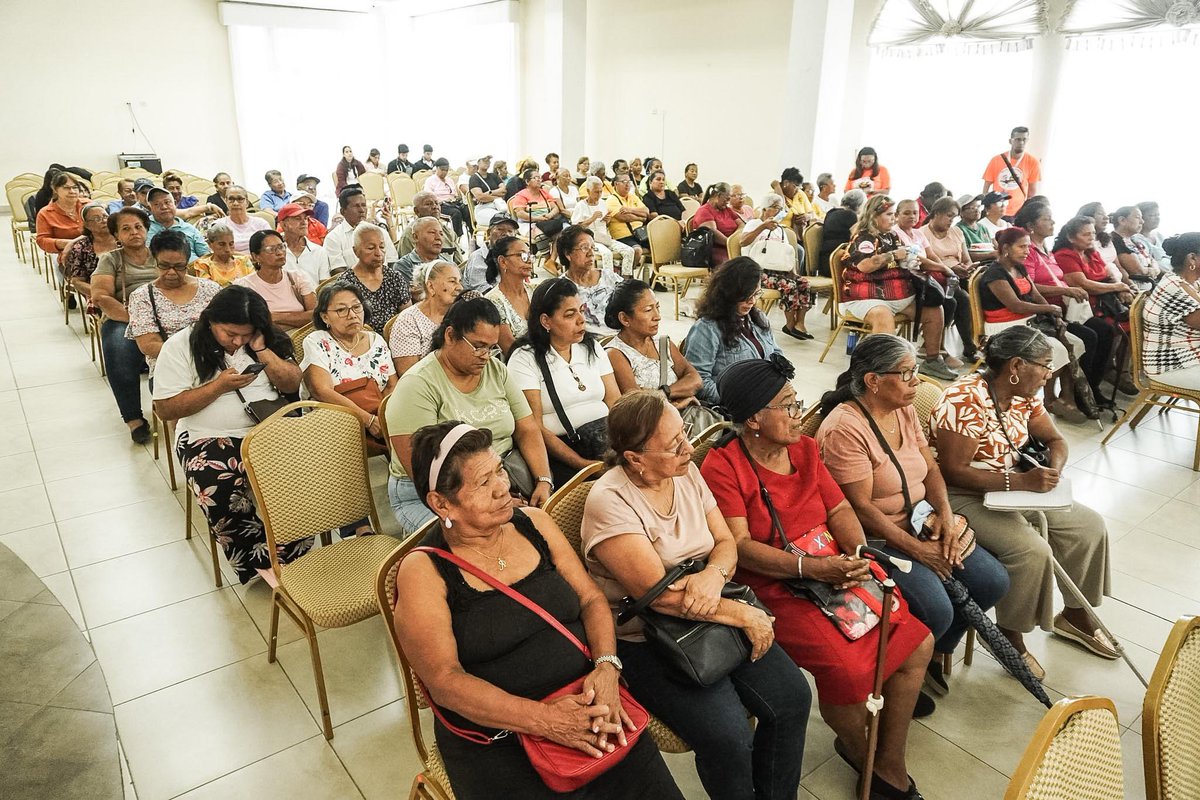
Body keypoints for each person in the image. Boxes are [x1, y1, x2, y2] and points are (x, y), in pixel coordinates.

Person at [392, 421, 683, 800]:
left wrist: (608, 667)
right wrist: (545, 721)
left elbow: (592, 599)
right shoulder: (423, 571)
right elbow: (444, 682)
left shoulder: (535, 523)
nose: (503, 487)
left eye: (500, 469)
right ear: (442, 503)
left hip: (590, 701)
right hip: (500, 735)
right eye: (483, 483)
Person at [701, 360, 932, 800]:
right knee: (845, 669)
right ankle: (863, 753)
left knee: (917, 643)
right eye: (787, 406)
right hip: (775, 585)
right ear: (753, 418)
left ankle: (887, 762)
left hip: (834, 563)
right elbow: (742, 547)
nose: (797, 413)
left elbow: (841, 510)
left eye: (795, 402)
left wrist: (857, 552)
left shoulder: (804, 449)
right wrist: (811, 569)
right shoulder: (724, 466)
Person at [581, 391, 811, 800]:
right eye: (674, 445)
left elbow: (725, 541)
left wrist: (714, 575)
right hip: (652, 637)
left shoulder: (684, 470)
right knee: (727, 736)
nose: (689, 447)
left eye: (684, 432)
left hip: (711, 606)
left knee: (792, 698)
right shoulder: (609, 501)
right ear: (634, 459)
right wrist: (744, 615)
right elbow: (661, 598)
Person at [815, 336, 1010, 697]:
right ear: (873, 380)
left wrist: (946, 518)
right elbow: (860, 509)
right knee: (937, 608)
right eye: (906, 374)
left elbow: (932, 468)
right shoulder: (845, 427)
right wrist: (918, 551)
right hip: (879, 538)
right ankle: (900, 671)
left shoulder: (902, 407)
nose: (916, 382)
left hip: (921, 520)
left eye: (915, 371)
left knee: (992, 581)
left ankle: (933, 653)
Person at [932, 327, 1114, 678]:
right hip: (963, 494)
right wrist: (1020, 481)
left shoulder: (1024, 395)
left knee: (1088, 526)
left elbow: (1056, 440)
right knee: (1030, 551)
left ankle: (1074, 615)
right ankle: (1010, 634)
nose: (1049, 374)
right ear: (1016, 365)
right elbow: (952, 472)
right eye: (1044, 365)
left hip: (1015, 484)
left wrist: (1051, 471)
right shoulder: (964, 399)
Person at [152, 285, 310, 585]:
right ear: (209, 320)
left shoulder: (264, 340)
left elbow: (292, 385)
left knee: (302, 474)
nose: (238, 342)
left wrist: (262, 349)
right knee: (216, 485)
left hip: (268, 429)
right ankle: (261, 563)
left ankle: (292, 554)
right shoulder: (180, 346)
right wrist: (219, 387)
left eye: (246, 334)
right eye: (229, 334)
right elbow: (165, 409)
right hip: (206, 435)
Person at [385, 297, 553, 532]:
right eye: (478, 345)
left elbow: (527, 428)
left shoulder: (496, 371)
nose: (485, 355)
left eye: (492, 347)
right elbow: (422, 469)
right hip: (433, 492)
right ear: (450, 335)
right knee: (482, 538)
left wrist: (543, 480)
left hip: (500, 476)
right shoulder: (418, 384)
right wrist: (487, 501)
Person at [508, 280, 619, 485]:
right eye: (570, 315)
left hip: (607, 443)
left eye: (581, 311)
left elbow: (616, 404)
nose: (581, 320)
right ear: (546, 321)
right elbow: (534, 427)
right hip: (563, 453)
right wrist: (582, 465)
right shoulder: (525, 358)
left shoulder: (591, 347)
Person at [979, 228, 1089, 422]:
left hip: (1027, 321)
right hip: (1006, 326)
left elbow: (1036, 295)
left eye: (1028, 247)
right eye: (1021, 247)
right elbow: (1015, 305)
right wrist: (1048, 309)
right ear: (1006, 248)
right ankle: (1050, 398)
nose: (1027, 251)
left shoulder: (1019, 268)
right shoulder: (995, 274)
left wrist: (1049, 310)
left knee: (1077, 343)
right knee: (1057, 349)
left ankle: (1065, 395)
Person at [840, 195, 955, 380]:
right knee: (882, 315)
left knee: (934, 310)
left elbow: (912, 257)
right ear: (874, 216)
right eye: (889, 214)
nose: (893, 219)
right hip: (867, 298)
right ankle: (880, 370)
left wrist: (942, 268)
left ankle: (932, 360)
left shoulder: (892, 235)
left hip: (896, 296)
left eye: (894, 214)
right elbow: (866, 266)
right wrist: (893, 255)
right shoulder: (864, 238)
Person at [1014, 203, 1105, 403]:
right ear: (1031, 225)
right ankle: (1072, 395)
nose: (1053, 222)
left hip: (1064, 309)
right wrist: (1066, 290)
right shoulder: (1027, 251)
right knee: (1087, 337)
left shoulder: (1045, 249)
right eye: (1046, 218)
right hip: (1043, 313)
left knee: (1104, 330)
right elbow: (1028, 286)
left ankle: (1090, 388)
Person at [90, 207, 159, 443]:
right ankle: (134, 419)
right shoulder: (110, 259)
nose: (134, 233)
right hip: (124, 315)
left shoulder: (160, 254)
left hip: (165, 312)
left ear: (147, 230)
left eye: (138, 227)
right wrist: (137, 319)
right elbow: (100, 296)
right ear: (117, 236)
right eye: (126, 229)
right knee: (118, 350)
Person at [300, 282, 395, 450]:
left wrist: (384, 418)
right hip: (333, 426)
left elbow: (392, 385)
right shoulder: (317, 341)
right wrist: (368, 420)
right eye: (341, 310)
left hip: (379, 418)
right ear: (325, 317)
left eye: (357, 307)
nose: (352, 315)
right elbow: (322, 391)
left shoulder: (376, 340)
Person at [124, 228, 222, 379]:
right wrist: (194, 357)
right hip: (169, 367)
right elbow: (149, 346)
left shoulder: (210, 289)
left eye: (179, 266)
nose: (171, 272)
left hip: (214, 362)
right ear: (154, 262)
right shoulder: (142, 297)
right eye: (164, 266)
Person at [1053, 215, 1134, 393]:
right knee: (1101, 332)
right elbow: (1084, 284)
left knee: (1132, 321)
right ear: (1071, 237)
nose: (1091, 238)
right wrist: (1116, 286)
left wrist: (1120, 287)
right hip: (1083, 307)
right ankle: (1089, 385)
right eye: (1086, 235)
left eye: (1092, 233)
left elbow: (1107, 273)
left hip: (1104, 302)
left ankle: (1113, 375)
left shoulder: (1091, 252)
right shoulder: (1065, 255)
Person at [686, 257, 783, 405]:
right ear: (729, 293)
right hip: (735, 407)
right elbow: (698, 381)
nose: (751, 301)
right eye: (745, 296)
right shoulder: (707, 328)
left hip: (766, 399)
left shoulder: (758, 319)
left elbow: (776, 353)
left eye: (756, 294)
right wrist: (739, 401)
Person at [604, 279, 703, 409]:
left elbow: (695, 379)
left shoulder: (663, 344)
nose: (657, 316)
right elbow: (637, 405)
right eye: (648, 310)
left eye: (657, 307)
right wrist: (676, 405)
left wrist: (664, 393)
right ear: (625, 319)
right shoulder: (616, 354)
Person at [737, 193, 813, 339]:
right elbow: (743, 242)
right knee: (789, 286)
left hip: (779, 269)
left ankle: (800, 324)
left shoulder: (780, 229)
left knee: (803, 283)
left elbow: (787, 254)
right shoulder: (754, 224)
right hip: (757, 270)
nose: (779, 212)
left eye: (780, 208)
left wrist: (793, 271)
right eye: (775, 208)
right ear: (766, 209)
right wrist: (763, 227)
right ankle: (790, 324)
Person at [918, 196, 979, 363]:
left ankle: (980, 340)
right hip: (935, 277)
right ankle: (967, 346)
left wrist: (966, 268)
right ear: (936, 213)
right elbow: (924, 263)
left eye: (954, 217)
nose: (952, 220)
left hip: (959, 275)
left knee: (980, 290)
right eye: (949, 215)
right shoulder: (923, 234)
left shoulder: (957, 232)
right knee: (960, 299)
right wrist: (951, 269)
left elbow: (966, 259)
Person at [1142, 232, 1200, 389]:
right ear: (1192, 259)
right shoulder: (1176, 288)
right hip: (1173, 363)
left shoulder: (1189, 281)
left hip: (1188, 353)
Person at [234, 230, 316, 330]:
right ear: (256, 257)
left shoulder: (297, 277)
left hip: (301, 339)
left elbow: (315, 316)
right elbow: (250, 324)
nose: (280, 253)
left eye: (281, 247)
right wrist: (299, 318)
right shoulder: (244, 286)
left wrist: (275, 317)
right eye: (271, 249)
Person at [391, 261, 462, 375]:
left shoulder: (459, 315)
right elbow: (409, 375)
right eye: (452, 281)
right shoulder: (408, 321)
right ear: (431, 286)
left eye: (459, 281)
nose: (460, 287)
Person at [334, 223, 411, 326]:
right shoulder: (346, 282)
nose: (379, 253)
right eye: (371, 248)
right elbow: (344, 321)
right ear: (356, 251)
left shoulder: (394, 277)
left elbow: (408, 316)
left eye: (382, 247)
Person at [558, 226, 621, 332]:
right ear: (568, 254)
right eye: (584, 248)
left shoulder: (609, 277)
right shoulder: (561, 288)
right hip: (585, 343)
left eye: (593, 248)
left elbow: (632, 302)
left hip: (619, 339)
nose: (591, 253)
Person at [572, 177, 638, 274]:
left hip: (604, 237)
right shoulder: (581, 205)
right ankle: (608, 281)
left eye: (600, 191)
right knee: (607, 254)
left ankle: (625, 279)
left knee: (629, 251)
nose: (599, 195)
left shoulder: (602, 203)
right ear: (588, 191)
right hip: (590, 240)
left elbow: (605, 224)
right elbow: (575, 228)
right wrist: (591, 219)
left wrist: (607, 220)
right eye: (596, 192)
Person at [325, 187, 399, 272]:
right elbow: (337, 270)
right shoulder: (334, 238)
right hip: (351, 284)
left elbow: (392, 261)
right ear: (343, 211)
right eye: (356, 206)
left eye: (364, 205)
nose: (362, 210)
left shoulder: (380, 232)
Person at [981, 126, 1041, 218]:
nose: (1021, 142)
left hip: (1017, 212)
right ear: (1010, 141)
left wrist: (1026, 211)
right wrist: (986, 206)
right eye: (1017, 139)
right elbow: (986, 186)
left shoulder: (1033, 162)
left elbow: (1032, 192)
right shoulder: (996, 160)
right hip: (996, 210)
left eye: (1024, 139)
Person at [63, 203, 118, 299]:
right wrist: (101, 294)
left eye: (105, 216)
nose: (104, 221)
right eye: (97, 219)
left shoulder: (122, 238)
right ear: (87, 225)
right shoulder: (81, 248)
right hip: (98, 293)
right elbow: (77, 281)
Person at [35, 171, 85, 270]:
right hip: (70, 257)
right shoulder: (46, 213)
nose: (72, 191)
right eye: (66, 188)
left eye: (75, 187)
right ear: (55, 189)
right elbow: (42, 241)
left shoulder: (89, 206)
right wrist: (69, 243)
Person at [145, 187, 209, 262]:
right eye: (157, 204)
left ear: (175, 204)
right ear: (150, 208)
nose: (164, 207)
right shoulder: (143, 227)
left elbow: (206, 257)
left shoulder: (190, 229)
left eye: (167, 202)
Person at [276, 203, 330, 284]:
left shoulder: (319, 251)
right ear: (283, 225)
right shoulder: (274, 251)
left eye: (305, 218)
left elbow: (324, 284)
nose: (304, 222)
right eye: (298, 218)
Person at [690, 183, 740, 268]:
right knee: (737, 264)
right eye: (726, 199)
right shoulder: (704, 211)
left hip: (732, 246)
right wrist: (732, 244)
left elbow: (742, 225)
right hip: (714, 250)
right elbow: (713, 233)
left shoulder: (727, 210)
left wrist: (737, 241)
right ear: (718, 196)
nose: (727, 203)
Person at [463, 215, 518, 294]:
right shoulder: (478, 258)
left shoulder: (514, 256)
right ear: (489, 233)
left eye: (510, 231)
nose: (506, 234)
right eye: (500, 229)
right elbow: (484, 293)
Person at [509, 168, 564, 244]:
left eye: (540, 177)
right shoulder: (521, 195)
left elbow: (555, 208)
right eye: (535, 178)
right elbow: (520, 213)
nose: (539, 180)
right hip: (527, 224)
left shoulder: (544, 193)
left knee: (561, 235)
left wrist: (549, 215)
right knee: (541, 236)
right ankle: (545, 255)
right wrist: (536, 218)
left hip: (545, 222)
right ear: (527, 181)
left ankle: (553, 256)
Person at [1111, 206, 1162, 288]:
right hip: (1137, 289)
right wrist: (1152, 270)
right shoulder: (1115, 241)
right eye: (1138, 217)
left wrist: (1154, 269)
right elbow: (1137, 271)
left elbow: (1152, 260)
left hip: (1151, 285)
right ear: (1122, 220)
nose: (1142, 221)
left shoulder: (1134, 239)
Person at [819, 189, 865, 278]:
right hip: (837, 263)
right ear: (858, 204)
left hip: (824, 262)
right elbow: (857, 237)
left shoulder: (831, 212)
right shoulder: (850, 215)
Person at [425, 158, 472, 239]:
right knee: (456, 213)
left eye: (446, 170)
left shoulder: (449, 180)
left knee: (468, 210)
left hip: (453, 203)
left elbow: (455, 194)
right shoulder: (430, 181)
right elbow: (429, 197)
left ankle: (472, 237)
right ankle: (455, 240)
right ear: (437, 168)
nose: (444, 172)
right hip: (440, 205)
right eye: (442, 170)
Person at [220, 186, 271, 252]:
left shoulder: (261, 224)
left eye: (240, 199)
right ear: (226, 201)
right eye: (231, 199)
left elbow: (271, 246)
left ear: (247, 202)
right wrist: (246, 257)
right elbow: (219, 252)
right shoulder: (220, 225)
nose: (235, 203)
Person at [777, 167, 818, 238]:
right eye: (795, 186)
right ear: (786, 183)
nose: (797, 190)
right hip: (781, 235)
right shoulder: (775, 196)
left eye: (799, 187)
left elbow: (811, 213)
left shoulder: (800, 194)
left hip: (799, 235)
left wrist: (807, 216)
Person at [468, 156, 508, 226]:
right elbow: (480, 197)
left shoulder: (494, 176)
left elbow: (504, 190)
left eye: (488, 161)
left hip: (498, 206)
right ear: (478, 163)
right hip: (483, 209)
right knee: (500, 219)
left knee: (510, 219)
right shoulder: (474, 178)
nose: (487, 163)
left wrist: (490, 193)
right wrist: (497, 197)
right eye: (484, 161)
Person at [954, 194, 994, 261]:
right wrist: (990, 254)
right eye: (972, 208)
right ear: (961, 212)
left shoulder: (983, 228)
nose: (977, 210)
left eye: (978, 207)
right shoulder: (958, 229)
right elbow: (964, 255)